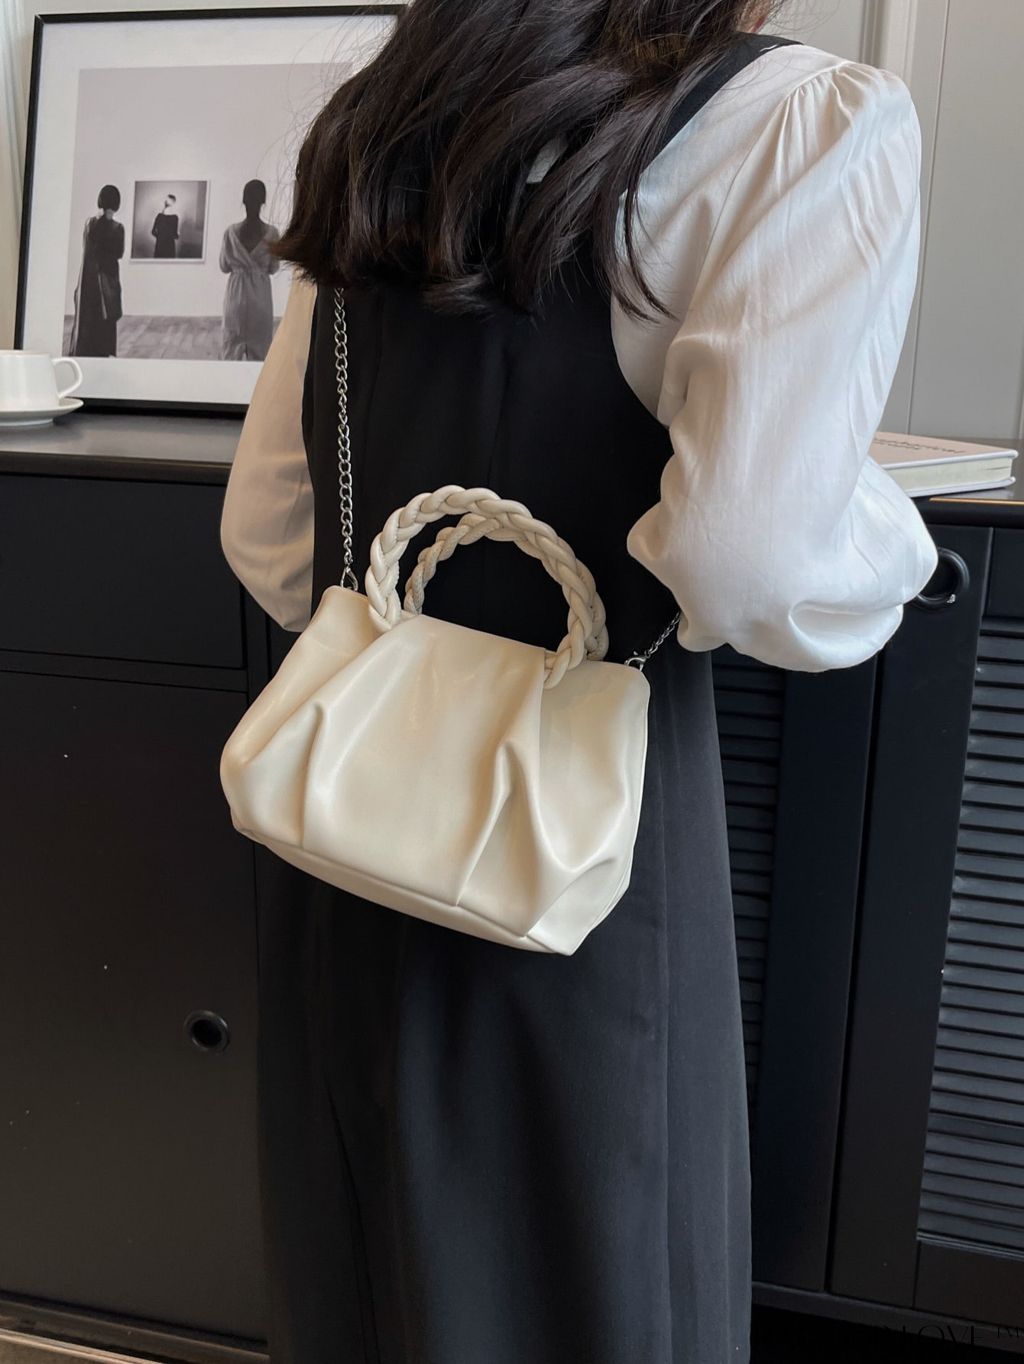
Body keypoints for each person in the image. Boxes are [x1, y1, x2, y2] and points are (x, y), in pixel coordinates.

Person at [220, 1, 939, 1360]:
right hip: (585, 855)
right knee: (597, 1284)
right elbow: (749, 560)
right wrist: (895, 545)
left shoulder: (387, 122)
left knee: (361, 1279)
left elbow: (270, 531)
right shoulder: (796, 121)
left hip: (344, 821)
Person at [218, 179, 280, 361]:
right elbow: (273, 268)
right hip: (260, 298)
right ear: (263, 202)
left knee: (231, 351)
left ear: (243, 201)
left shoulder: (230, 233)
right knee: (261, 355)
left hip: (235, 297)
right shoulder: (272, 234)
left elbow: (224, 266)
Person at [69, 184, 125, 358]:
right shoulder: (118, 228)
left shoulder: (89, 224)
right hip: (107, 282)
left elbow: (88, 250)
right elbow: (119, 253)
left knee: (89, 323)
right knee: (106, 321)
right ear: (116, 203)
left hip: (88, 282)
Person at [151, 193, 179, 258]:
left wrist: (160, 236)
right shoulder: (175, 218)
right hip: (169, 247)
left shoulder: (159, 216)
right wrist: (177, 234)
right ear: (173, 203)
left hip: (160, 245)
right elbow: (175, 236)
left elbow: (153, 232)